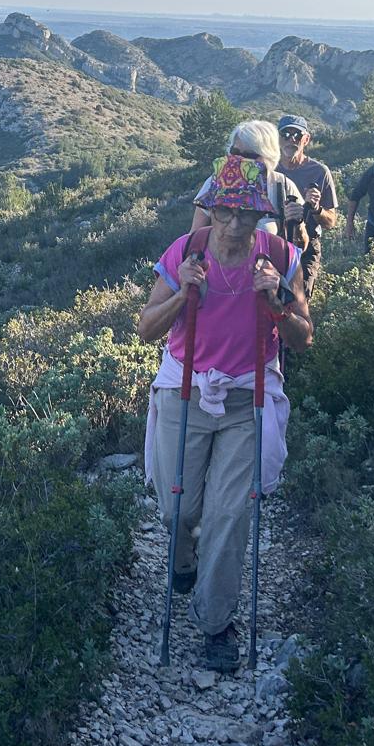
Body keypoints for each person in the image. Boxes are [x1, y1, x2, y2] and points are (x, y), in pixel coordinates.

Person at [138, 155, 313, 671]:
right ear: (210, 209)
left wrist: (277, 300)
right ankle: (184, 559)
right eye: (225, 212)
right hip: (185, 391)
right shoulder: (185, 251)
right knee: (177, 509)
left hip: (245, 397)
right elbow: (147, 328)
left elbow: (304, 337)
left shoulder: (280, 256)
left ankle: (216, 623)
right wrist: (184, 293)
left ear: (260, 214)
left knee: (229, 515)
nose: (234, 224)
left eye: (246, 214)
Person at [190, 119, 306, 249]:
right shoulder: (217, 182)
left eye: (249, 155)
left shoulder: (283, 186)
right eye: (235, 152)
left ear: (268, 156)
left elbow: (300, 247)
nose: (239, 159)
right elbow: (194, 238)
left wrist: (298, 224)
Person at [276, 114, 338, 292]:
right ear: (278, 138)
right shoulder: (267, 169)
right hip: (273, 242)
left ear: (306, 139)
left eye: (297, 135)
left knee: (299, 299)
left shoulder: (319, 172)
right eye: (286, 134)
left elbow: (331, 222)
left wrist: (317, 209)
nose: (291, 140)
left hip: (307, 247)